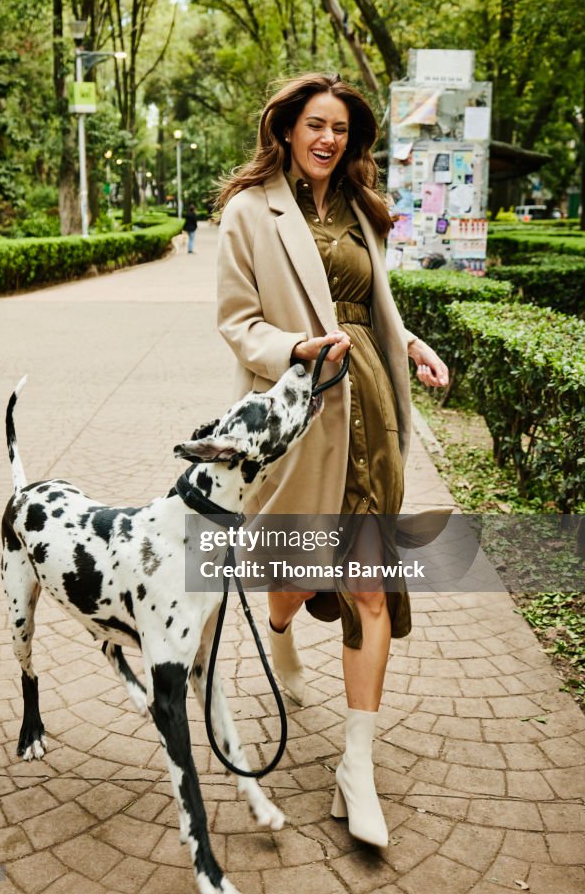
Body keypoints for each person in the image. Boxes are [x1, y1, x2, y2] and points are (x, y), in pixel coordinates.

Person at [215, 72, 448, 848]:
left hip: (371, 410)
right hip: (300, 409)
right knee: (294, 574)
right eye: (315, 125)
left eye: (340, 130)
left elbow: (375, 304)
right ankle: (280, 627)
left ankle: (356, 765)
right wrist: (293, 348)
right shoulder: (250, 211)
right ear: (286, 129)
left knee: (369, 587)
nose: (327, 139)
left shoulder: (361, 211)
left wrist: (410, 344)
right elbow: (237, 323)